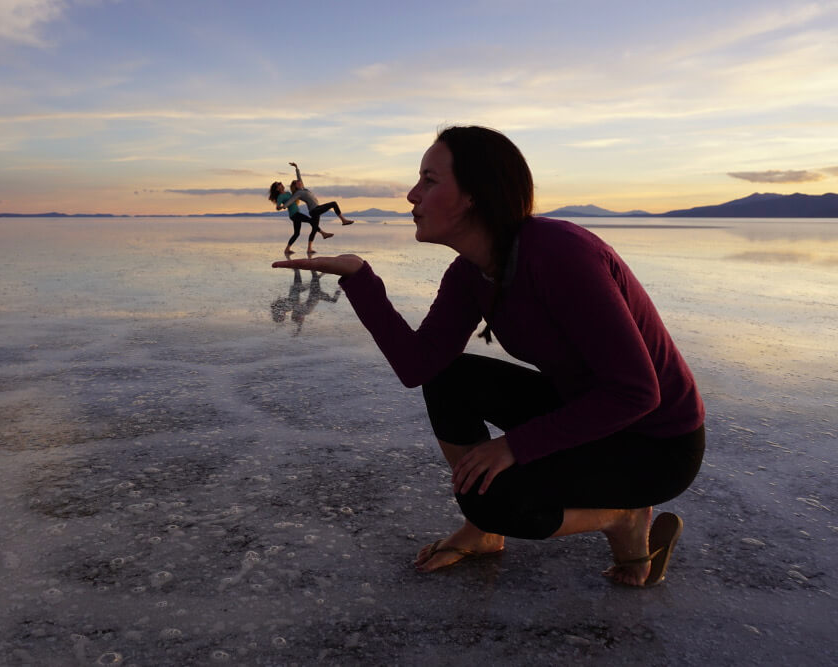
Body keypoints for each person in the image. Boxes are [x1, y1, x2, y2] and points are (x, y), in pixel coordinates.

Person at [272, 126, 705, 587]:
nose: (412, 194)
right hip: (585, 411)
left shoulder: (561, 255)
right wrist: (361, 279)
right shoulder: (469, 274)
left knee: (497, 500)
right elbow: (420, 366)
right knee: (448, 378)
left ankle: (622, 517)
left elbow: (637, 393)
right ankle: (484, 534)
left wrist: (513, 446)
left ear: (475, 196)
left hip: (656, 443)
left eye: (430, 180)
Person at [268, 180, 333, 255]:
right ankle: (323, 233)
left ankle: (287, 249)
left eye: (280, 182)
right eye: (279, 184)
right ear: (277, 189)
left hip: (296, 214)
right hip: (294, 214)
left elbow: (294, 198)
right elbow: (277, 207)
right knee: (311, 221)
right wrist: (280, 207)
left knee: (297, 233)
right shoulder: (280, 196)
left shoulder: (288, 193)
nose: (281, 184)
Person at [283, 162, 356, 228]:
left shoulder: (303, 189)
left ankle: (314, 240)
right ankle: (343, 220)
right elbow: (291, 200)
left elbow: (299, 177)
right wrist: (283, 206)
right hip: (314, 211)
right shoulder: (298, 193)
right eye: (297, 182)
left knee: (315, 228)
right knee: (333, 203)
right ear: (296, 186)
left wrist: (296, 168)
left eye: (299, 181)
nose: (299, 181)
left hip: (317, 207)